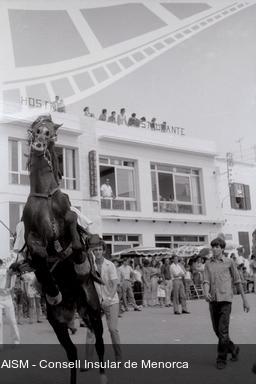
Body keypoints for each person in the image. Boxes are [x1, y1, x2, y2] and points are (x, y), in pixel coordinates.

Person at [203, 237, 250, 370]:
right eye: (213, 246)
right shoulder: (208, 264)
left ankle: (221, 358)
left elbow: (237, 281)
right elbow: (205, 280)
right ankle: (233, 348)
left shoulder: (229, 262)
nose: (215, 249)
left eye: (218, 246)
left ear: (222, 249)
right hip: (213, 300)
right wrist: (206, 292)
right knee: (217, 330)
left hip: (225, 300)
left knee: (223, 330)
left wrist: (244, 300)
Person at [83, 235, 122, 365]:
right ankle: (88, 361)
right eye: (95, 250)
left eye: (100, 249)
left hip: (111, 302)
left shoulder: (109, 265)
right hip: (96, 303)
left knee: (112, 329)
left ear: (103, 250)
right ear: (92, 252)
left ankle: (119, 357)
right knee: (91, 331)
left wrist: (109, 298)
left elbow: (115, 284)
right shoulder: (90, 266)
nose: (98, 252)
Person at [0, 258, 20, 345]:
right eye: (14, 272)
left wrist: (13, 300)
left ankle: (16, 341)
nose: (15, 274)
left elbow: (12, 289)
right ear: (11, 270)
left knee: (12, 321)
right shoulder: (1, 273)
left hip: (8, 298)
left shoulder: (14, 276)